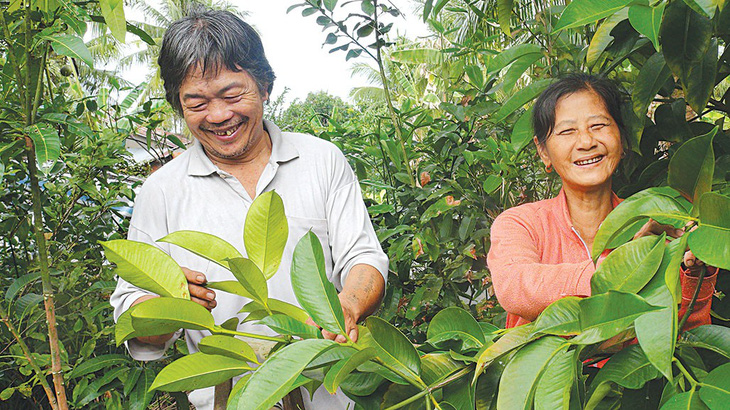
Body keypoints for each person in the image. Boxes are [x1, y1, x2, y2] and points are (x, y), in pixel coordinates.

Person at [109, 8, 388, 409]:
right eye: (197, 102)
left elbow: (363, 257)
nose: (219, 115)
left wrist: (346, 305)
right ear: (179, 105)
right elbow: (136, 324)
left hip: (332, 394)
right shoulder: (161, 193)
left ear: (265, 85)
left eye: (232, 94)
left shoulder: (321, 160)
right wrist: (167, 305)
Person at [487, 73, 717, 330]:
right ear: (543, 151)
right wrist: (627, 264)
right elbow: (516, 286)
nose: (586, 142)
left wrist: (694, 272)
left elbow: (684, 333)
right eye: (567, 131)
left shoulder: (653, 222)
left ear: (622, 138)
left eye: (598, 126)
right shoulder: (521, 223)